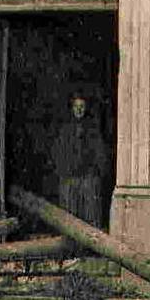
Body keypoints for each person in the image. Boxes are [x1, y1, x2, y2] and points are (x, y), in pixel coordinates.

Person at [51, 95, 109, 229]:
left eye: (82, 107)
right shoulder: (65, 129)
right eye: (76, 107)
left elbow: (99, 151)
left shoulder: (92, 128)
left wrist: (96, 171)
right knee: (69, 212)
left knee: (90, 211)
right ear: (72, 109)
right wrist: (63, 170)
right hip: (69, 177)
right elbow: (58, 151)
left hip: (87, 176)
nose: (79, 110)